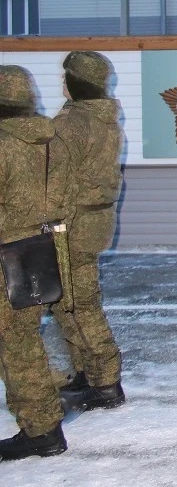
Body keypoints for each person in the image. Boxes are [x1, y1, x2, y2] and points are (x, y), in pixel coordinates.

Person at [0, 65, 72, 461]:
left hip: (6, 253)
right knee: (24, 339)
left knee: (17, 346)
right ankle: (40, 424)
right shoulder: (51, 140)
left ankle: (41, 429)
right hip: (40, 248)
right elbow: (67, 194)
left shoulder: (3, 144)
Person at [52, 51, 126, 412]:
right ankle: (88, 372)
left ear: (72, 83)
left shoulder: (73, 123)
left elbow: (54, 177)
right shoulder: (105, 118)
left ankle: (105, 382)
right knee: (71, 301)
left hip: (73, 224)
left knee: (80, 304)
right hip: (92, 220)